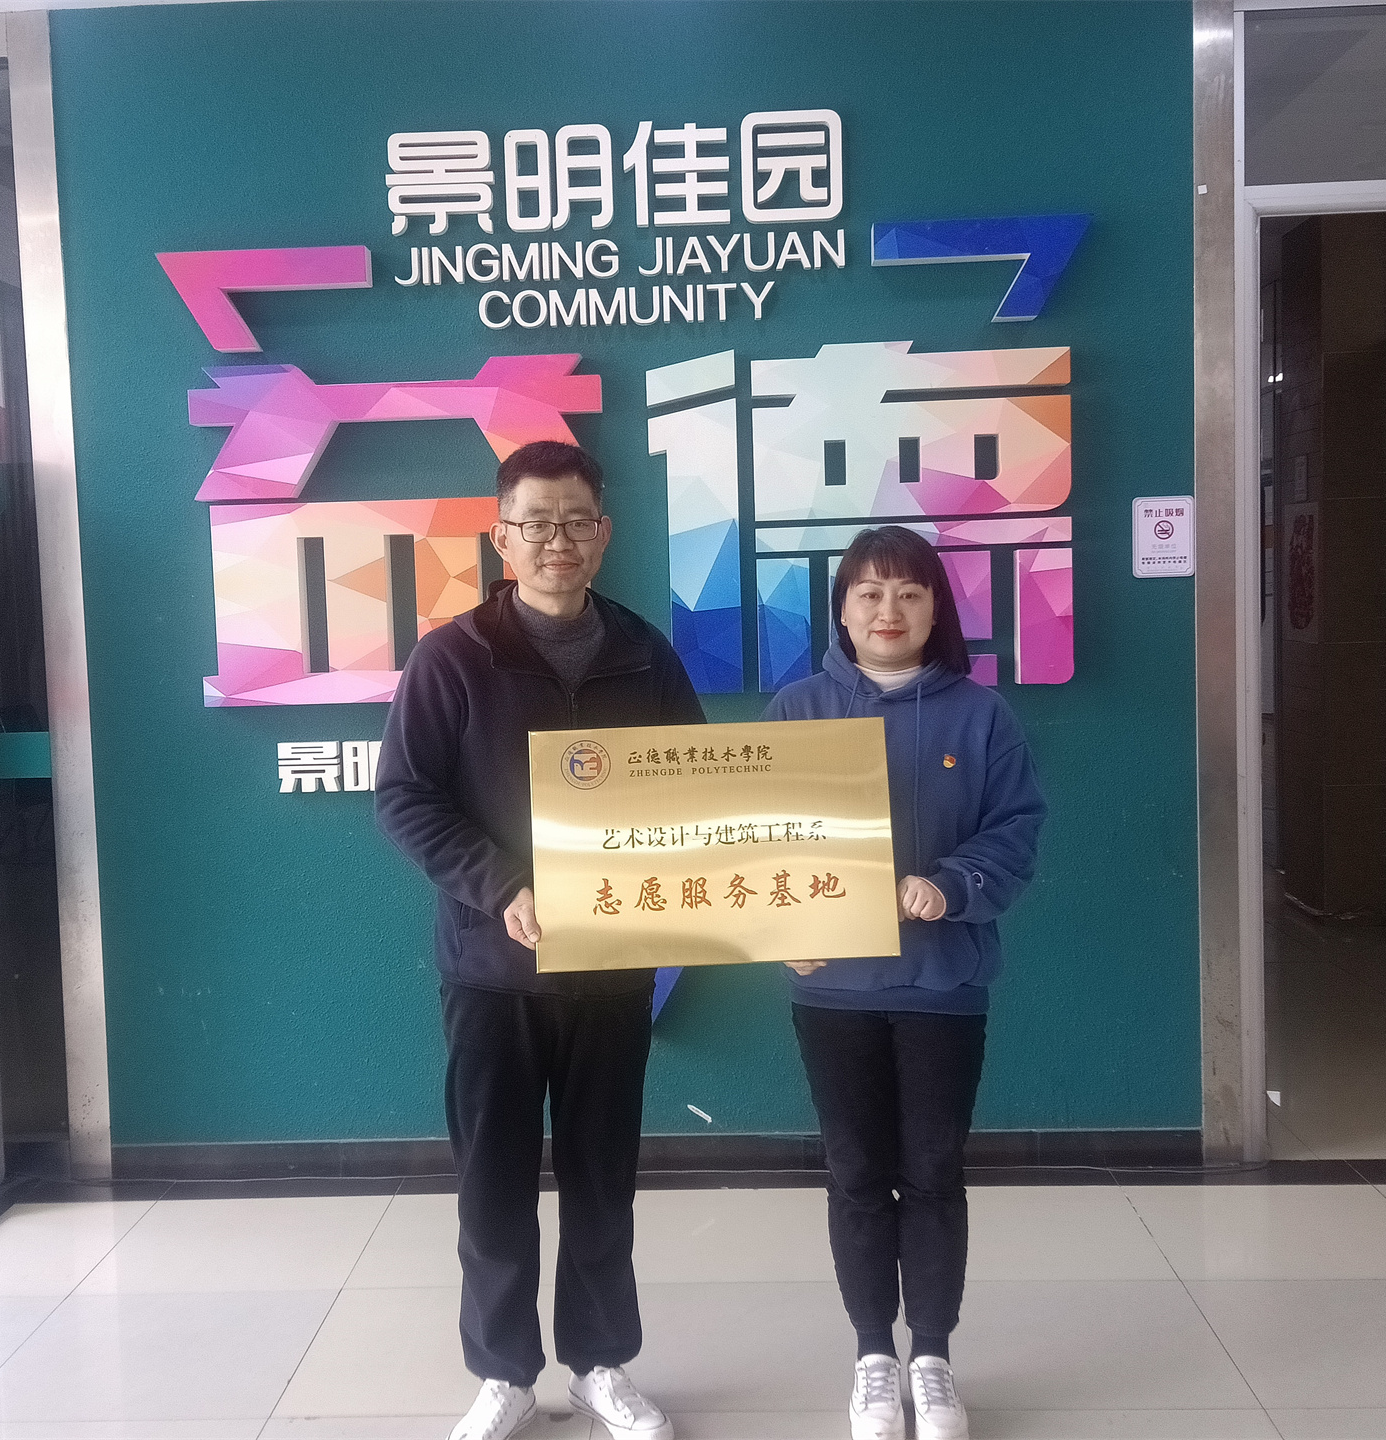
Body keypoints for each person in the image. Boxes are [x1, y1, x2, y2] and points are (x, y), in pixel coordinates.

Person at [376, 440, 702, 1440]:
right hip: (492, 972)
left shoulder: (645, 653)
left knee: (604, 1179)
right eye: (535, 523)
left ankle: (601, 1364)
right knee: (494, 1188)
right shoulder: (454, 657)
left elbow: (699, 786)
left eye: (575, 522)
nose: (556, 541)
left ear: (604, 533)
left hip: (611, 970)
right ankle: (504, 1373)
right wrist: (502, 886)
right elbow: (404, 798)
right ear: (502, 536)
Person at [761, 525, 1047, 1440]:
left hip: (940, 985)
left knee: (931, 1170)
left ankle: (931, 1356)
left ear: (936, 609)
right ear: (842, 610)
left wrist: (952, 884)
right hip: (832, 990)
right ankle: (872, 1358)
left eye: (911, 593)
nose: (890, 610)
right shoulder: (797, 710)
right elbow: (759, 837)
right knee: (854, 1171)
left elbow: (1015, 830)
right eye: (870, 593)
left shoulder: (982, 715)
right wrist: (776, 927)